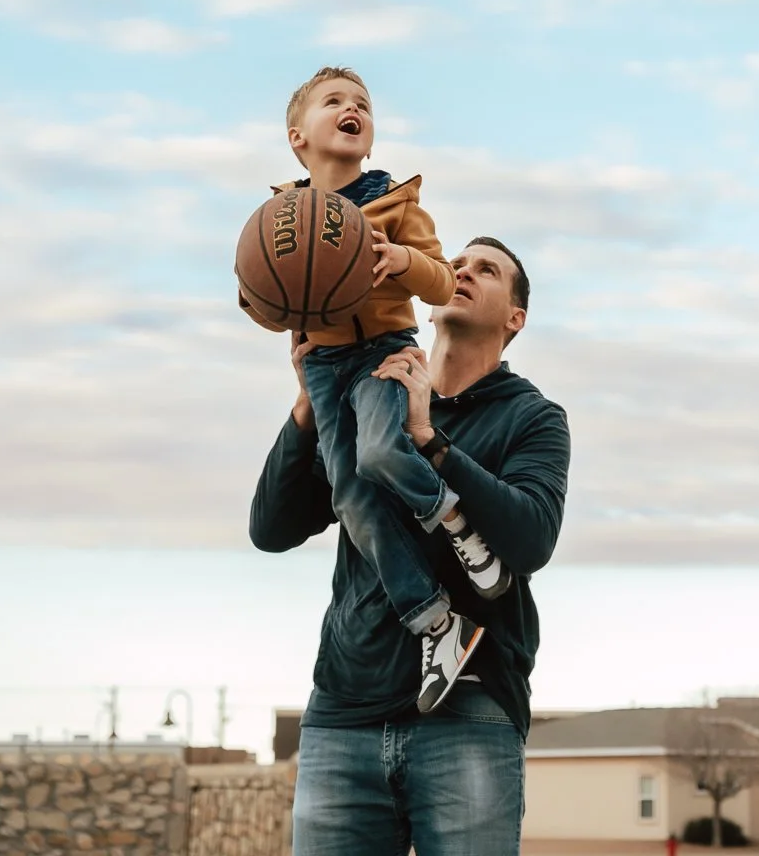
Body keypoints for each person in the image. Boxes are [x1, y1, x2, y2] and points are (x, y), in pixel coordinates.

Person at [250, 234, 570, 856]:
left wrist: (429, 439)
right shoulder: (370, 398)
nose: (463, 271)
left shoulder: (532, 417)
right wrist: (308, 405)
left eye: (486, 270)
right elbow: (271, 528)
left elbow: (531, 538)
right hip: (344, 711)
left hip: (468, 709)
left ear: (515, 318)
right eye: (456, 264)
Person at [239, 65, 507, 709]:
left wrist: (400, 259)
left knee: (382, 453)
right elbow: (264, 295)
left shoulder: (396, 202)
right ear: (298, 137)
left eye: (361, 102)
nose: (351, 108)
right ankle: (436, 623)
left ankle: (455, 521)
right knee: (353, 500)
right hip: (323, 368)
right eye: (333, 101)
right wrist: (261, 298)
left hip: (382, 355)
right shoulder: (282, 217)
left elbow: (441, 281)